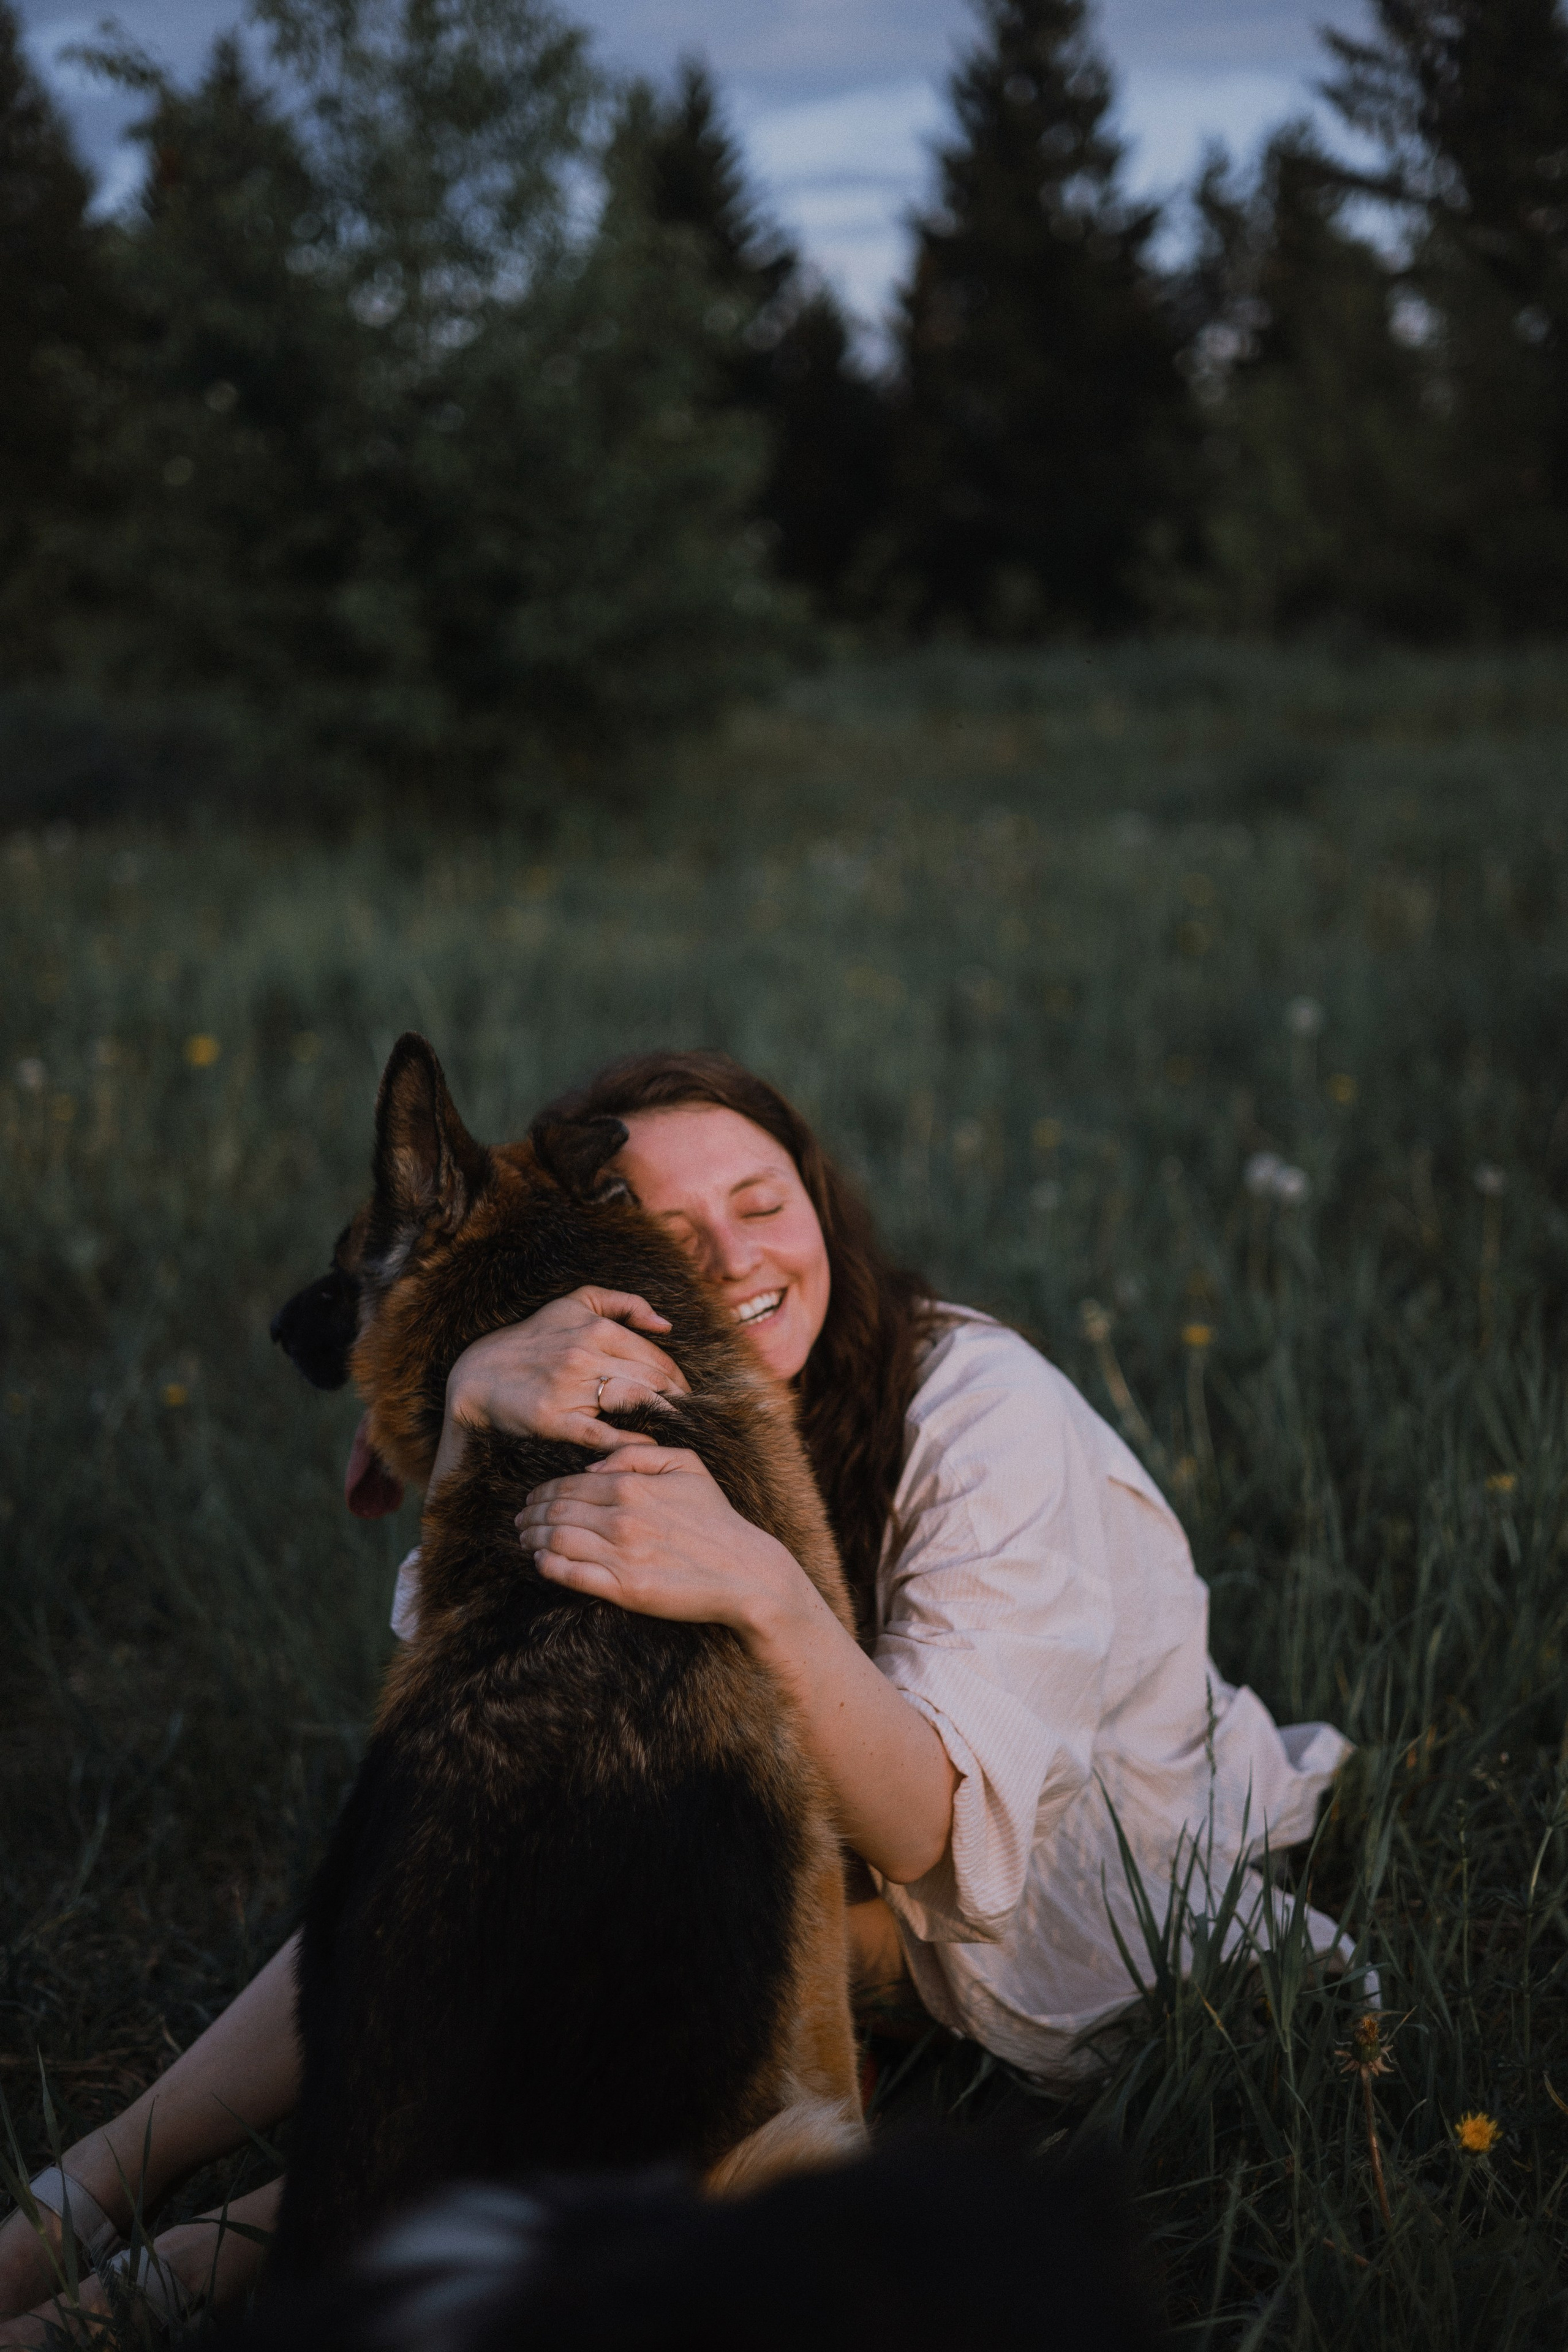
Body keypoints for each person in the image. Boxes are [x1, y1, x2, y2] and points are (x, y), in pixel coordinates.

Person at [0, 1051, 1350, 2340]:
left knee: (562, 1999)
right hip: (772, 1846)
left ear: (820, 1206)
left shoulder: (985, 1411)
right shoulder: (621, 1392)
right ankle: (97, 2182)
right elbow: (480, 1715)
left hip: (1038, 1877)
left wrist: (758, 1585)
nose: (727, 1256)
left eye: (761, 1204)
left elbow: (939, 1829)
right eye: (665, 1221)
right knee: (477, 1853)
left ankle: (194, 2262)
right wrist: (471, 1405)